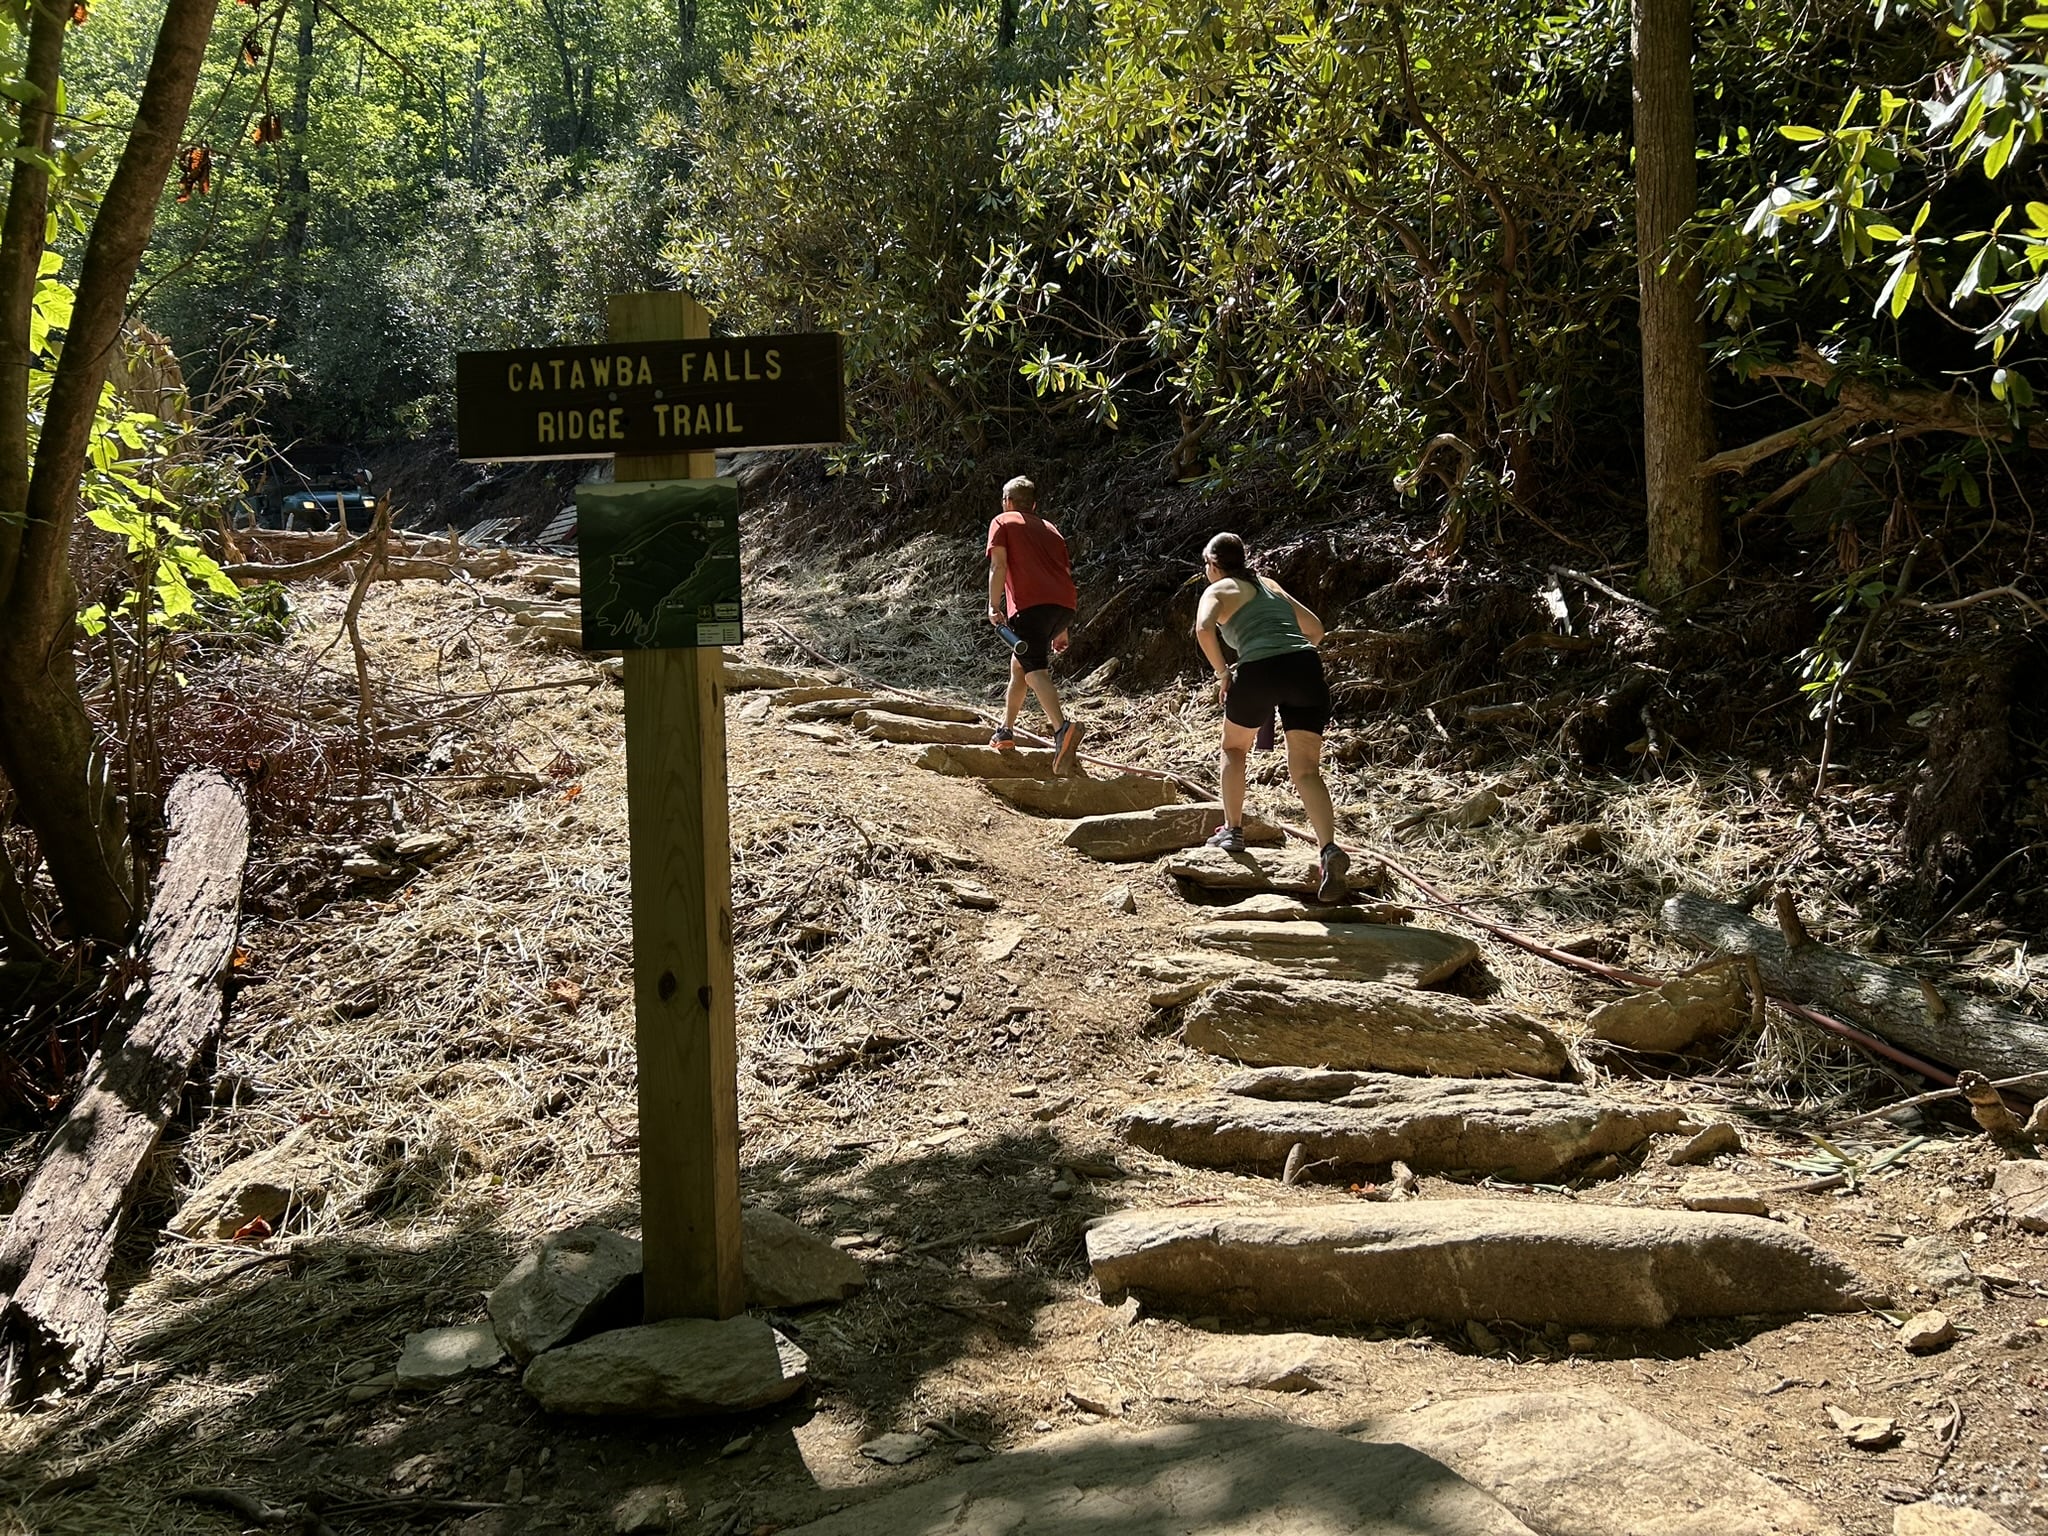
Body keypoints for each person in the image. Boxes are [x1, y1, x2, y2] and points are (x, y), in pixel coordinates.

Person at [1192, 531, 1350, 901]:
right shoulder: (1270, 585)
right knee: (1307, 769)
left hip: (1259, 671)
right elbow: (1315, 630)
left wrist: (1222, 672)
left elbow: (1202, 629)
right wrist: (1288, 657)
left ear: (1214, 564)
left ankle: (1232, 830)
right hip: (1305, 668)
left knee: (1233, 749)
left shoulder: (1218, 590)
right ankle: (1328, 849)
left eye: (1205, 565)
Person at [986, 476, 1083, 772]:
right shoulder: (1052, 530)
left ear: (1007, 501)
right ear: (1034, 505)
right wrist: (1061, 627)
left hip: (1031, 606)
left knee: (1035, 670)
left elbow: (998, 565)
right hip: (1063, 605)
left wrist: (994, 604)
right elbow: (1062, 571)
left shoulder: (1002, 522)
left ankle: (1062, 728)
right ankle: (1005, 731)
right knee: (1020, 667)